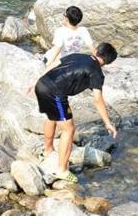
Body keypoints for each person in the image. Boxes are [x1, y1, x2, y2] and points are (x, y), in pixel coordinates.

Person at [30, 42, 118, 183]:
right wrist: (107, 123)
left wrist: (36, 81)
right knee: (69, 129)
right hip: (55, 93)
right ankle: (62, 170)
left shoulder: (78, 55)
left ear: (96, 51)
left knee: (52, 117)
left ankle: (47, 151)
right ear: (107, 62)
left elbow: (54, 64)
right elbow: (98, 99)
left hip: (42, 83)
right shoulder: (96, 72)